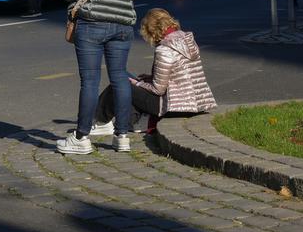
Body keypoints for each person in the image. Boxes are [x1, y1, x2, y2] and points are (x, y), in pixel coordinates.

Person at [55, 0, 138, 155]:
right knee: (120, 78)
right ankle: (122, 135)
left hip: (92, 25)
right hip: (123, 25)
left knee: (90, 81)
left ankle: (81, 138)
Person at [89, 8, 215, 138]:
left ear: (151, 30)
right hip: (194, 103)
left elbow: (158, 90)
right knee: (132, 81)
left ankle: (100, 122)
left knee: (120, 84)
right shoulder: (185, 40)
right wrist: (147, 79)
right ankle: (135, 121)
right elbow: (179, 75)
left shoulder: (165, 49)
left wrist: (138, 84)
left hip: (174, 106)